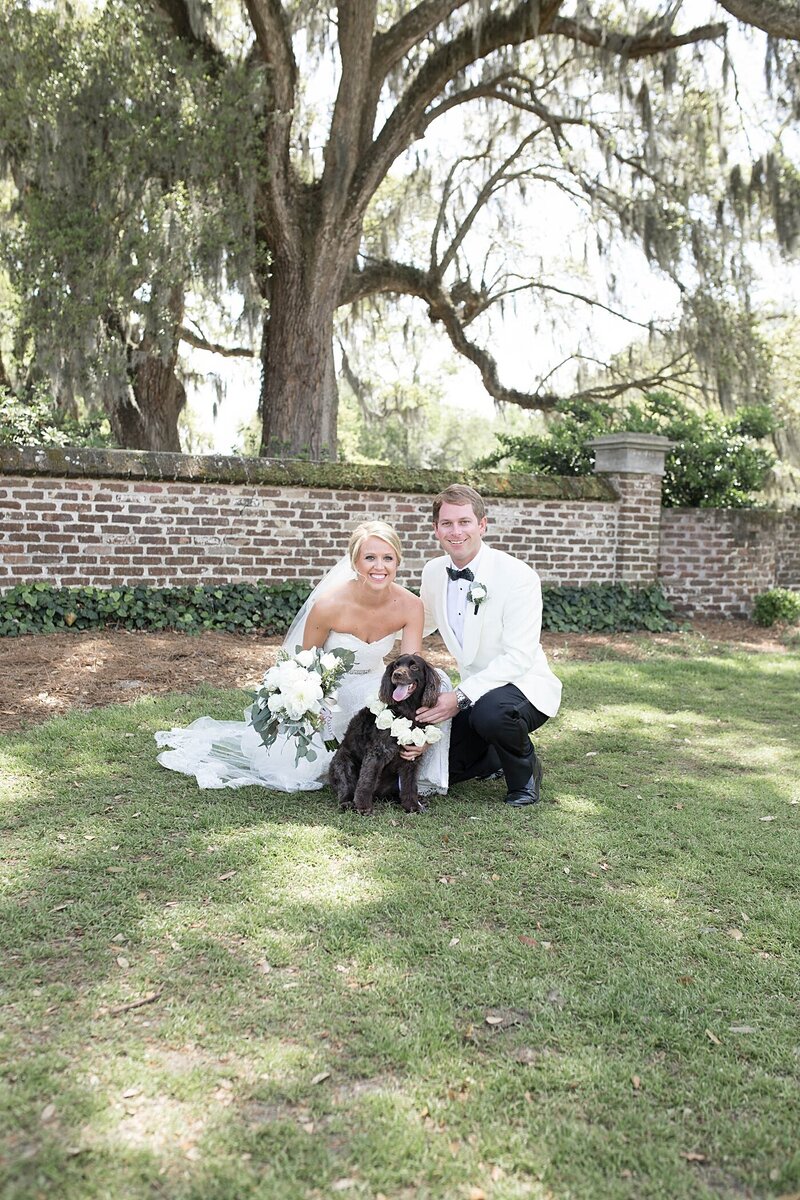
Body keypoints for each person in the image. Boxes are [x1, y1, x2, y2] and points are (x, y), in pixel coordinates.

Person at [155, 520, 449, 794]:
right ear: (355, 562)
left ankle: (413, 766)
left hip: (375, 684)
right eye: (370, 557)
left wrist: (415, 731)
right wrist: (312, 702)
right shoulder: (329, 605)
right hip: (332, 690)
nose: (379, 566)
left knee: (438, 686)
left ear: (398, 561)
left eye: (388, 558)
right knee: (349, 733)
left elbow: (414, 672)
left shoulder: (410, 605)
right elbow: (305, 663)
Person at [416, 484, 561, 807]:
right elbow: (420, 623)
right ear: (436, 529)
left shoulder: (518, 576)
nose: (456, 531)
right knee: (444, 768)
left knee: (491, 715)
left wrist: (459, 697)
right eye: (447, 524)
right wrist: (365, 635)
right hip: (474, 691)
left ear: (482, 524)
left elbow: (519, 657)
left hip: (524, 686)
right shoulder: (433, 572)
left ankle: (525, 778)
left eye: (465, 522)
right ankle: (493, 757)